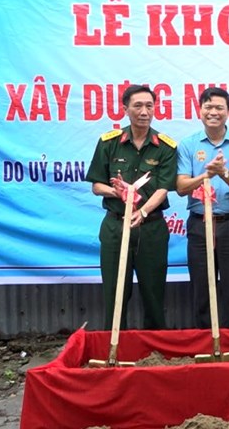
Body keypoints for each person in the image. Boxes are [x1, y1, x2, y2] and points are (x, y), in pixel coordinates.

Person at [86, 84, 178, 330]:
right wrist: (115, 191)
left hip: (151, 228)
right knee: (115, 293)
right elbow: (97, 185)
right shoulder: (109, 142)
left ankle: (155, 350)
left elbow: (163, 188)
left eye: (149, 105)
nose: (144, 111)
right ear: (125, 108)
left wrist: (143, 211)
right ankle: (114, 346)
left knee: (154, 292)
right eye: (138, 105)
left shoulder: (166, 147)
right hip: (116, 225)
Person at [176, 87, 229, 329]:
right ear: (200, 111)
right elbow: (181, 187)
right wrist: (206, 175)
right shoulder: (187, 145)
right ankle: (204, 342)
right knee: (201, 286)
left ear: (228, 111)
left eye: (219, 107)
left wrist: (224, 173)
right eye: (208, 107)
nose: (213, 112)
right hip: (199, 224)